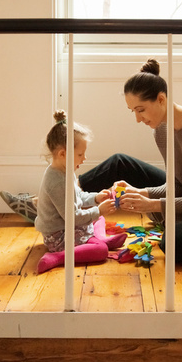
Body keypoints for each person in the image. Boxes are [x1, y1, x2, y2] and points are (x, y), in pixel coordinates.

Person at [2, 58, 182, 264]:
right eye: (133, 111)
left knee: (174, 242)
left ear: (161, 99)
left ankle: (59, 205)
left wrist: (150, 205)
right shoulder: (161, 130)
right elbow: (178, 184)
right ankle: (55, 199)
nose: (137, 119)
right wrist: (140, 193)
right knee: (120, 162)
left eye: (141, 110)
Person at [33, 110, 127, 273]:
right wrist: (97, 210)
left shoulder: (64, 169)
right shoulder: (57, 181)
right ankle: (58, 256)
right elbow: (73, 217)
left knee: (99, 218)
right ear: (63, 154)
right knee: (101, 251)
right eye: (80, 154)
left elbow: (78, 197)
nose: (84, 158)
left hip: (68, 226)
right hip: (59, 236)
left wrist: (96, 198)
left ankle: (101, 239)